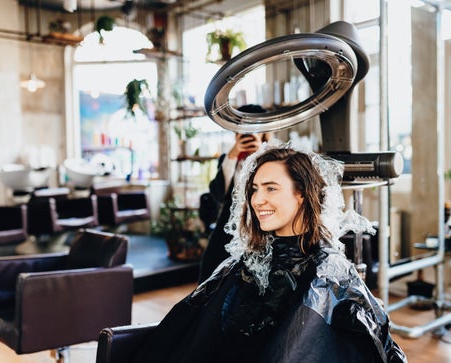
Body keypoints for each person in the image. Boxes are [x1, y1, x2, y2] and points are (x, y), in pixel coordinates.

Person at [132, 142, 407, 363]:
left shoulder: (327, 272)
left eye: (271, 188)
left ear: (303, 194)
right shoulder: (246, 262)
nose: (257, 200)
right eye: (254, 189)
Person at [198, 104, 271, 282]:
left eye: (253, 129)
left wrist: (260, 154)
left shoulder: (273, 158)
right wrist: (232, 156)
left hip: (262, 226)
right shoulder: (228, 159)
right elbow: (217, 194)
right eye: (241, 129)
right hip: (229, 227)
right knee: (211, 273)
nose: (247, 134)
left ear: (263, 132)